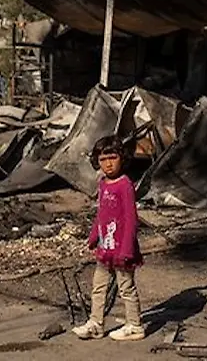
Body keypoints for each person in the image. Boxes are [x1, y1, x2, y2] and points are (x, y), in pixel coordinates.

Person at [71, 135, 145, 341]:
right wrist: (94, 236)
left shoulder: (125, 185)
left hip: (123, 248)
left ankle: (135, 325)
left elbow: (131, 218)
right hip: (106, 247)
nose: (108, 163)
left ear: (122, 158)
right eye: (103, 160)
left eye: (112, 158)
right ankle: (96, 323)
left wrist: (127, 249)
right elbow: (102, 213)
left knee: (126, 287)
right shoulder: (103, 184)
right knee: (99, 286)